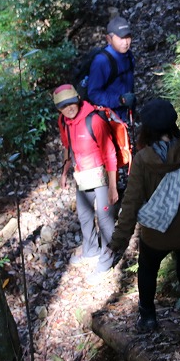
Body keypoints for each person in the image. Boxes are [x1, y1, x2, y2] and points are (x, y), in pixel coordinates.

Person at [103, 98, 180, 331]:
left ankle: (148, 317)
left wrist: (118, 241)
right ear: (174, 125)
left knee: (147, 270)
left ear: (147, 130)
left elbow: (131, 204)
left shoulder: (143, 160)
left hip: (155, 234)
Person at [54, 84, 118, 280]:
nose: (69, 108)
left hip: (101, 173)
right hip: (82, 173)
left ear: (78, 99)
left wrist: (113, 187)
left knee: (104, 217)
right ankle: (91, 250)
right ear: (59, 109)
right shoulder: (64, 121)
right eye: (64, 106)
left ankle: (108, 257)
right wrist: (65, 172)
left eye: (71, 103)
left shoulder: (94, 119)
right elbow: (68, 146)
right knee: (84, 214)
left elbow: (110, 153)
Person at [87, 16, 136, 123]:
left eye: (128, 37)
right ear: (109, 39)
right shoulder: (101, 62)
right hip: (110, 118)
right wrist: (119, 100)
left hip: (125, 113)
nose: (125, 42)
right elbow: (93, 94)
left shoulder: (128, 55)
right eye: (121, 38)